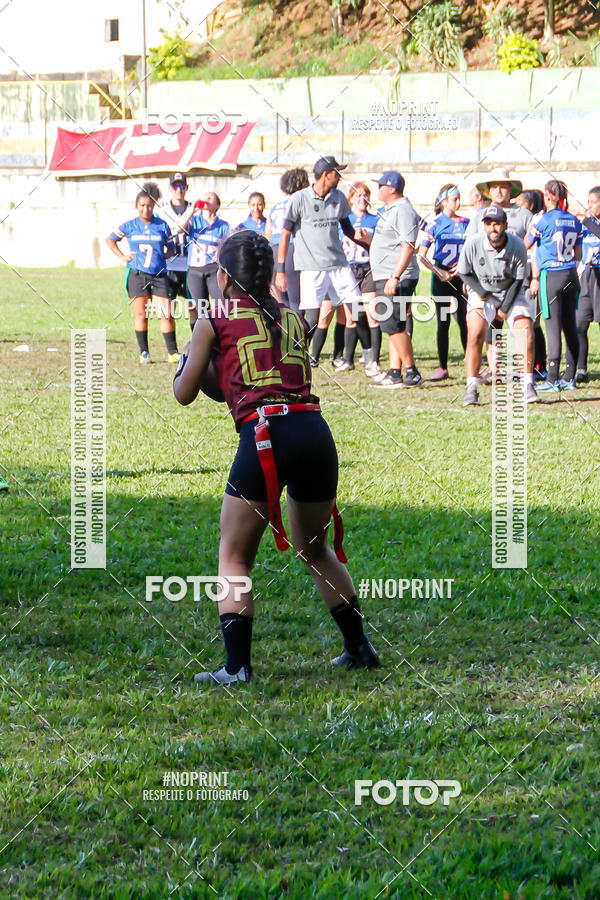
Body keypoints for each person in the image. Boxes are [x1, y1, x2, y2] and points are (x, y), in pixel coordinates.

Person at [173, 230, 380, 684]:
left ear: (223, 276)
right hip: (314, 432)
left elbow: (185, 393)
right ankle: (359, 647)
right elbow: (251, 383)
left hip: (266, 435)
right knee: (316, 549)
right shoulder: (291, 317)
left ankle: (236, 667)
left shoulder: (214, 319)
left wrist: (189, 357)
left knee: (234, 556)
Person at [274, 155, 366, 339]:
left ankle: (369, 354)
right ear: (326, 174)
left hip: (339, 265)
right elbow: (285, 235)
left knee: (358, 311)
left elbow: (348, 230)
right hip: (311, 268)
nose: (339, 177)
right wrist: (280, 270)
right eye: (337, 173)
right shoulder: (299, 199)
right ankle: (297, 350)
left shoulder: (338, 197)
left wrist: (369, 245)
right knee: (312, 319)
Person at [458, 204, 539, 406]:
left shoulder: (517, 245)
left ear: (505, 225)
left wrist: (503, 309)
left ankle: (528, 384)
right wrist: (481, 291)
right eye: (488, 224)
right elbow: (464, 272)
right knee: (475, 333)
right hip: (482, 292)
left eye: (497, 224)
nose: (492, 228)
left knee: (526, 332)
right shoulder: (473, 243)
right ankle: (471, 387)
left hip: (511, 291)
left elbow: (519, 280)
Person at [106, 181, 179, 364]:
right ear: (136, 206)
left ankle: (172, 352)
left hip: (159, 276)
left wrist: (162, 256)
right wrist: (123, 256)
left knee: (166, 314)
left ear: (154, 206)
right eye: (142, 205)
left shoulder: (162, 225)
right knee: (141, 315)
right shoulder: (130, 225)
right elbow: (110, 239)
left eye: (149, 206)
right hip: (137, 275)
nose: (145, 209)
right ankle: (144, 352)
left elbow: (171, 248)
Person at [366, 170, 422, 389]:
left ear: (391, 189)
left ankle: (412, 371)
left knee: (392, 324)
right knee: (393, 325)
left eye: (381, 185)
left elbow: (408, 245)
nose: (378, 189)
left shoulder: (403, 209)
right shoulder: (390, 209)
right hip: (386, 274)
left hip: (395, 276)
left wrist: (395, 276)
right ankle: (394, 372)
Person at [525, 180, 582, 391]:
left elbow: (525, 243)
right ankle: (570, 376)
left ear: (548, 195)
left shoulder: (543, 220)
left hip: (551, 275)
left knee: (552, 326)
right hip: (571, 275)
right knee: (570, 326)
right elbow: (578, 254)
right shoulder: (574, 220)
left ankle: (552, 378)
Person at [418, 184, 469, 380]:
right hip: (442, 276)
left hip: (461, 277)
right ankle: (442, 367)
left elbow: (473, 249)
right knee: (443, 322)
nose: (458, 202)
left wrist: (464, 267)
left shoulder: (466, 223)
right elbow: (421, 255)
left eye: (459, 198)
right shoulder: (435, 224)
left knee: (465, 320)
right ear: (444, 201)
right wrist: (438, 271)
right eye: (454, 199)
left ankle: (470, 362)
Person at [179, 192, 231, 329]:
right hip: (195, 270)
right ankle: (204, 337)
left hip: (213, 270)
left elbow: (229, 247)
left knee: (220, 306)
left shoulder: (223, 226)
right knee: (202, 310)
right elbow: (178, 228)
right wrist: (191, 209)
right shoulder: (194, 220)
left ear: (217, 205)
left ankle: (222, 335)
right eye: (204, 197)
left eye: (210, 197)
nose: (206, 200)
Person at [265, 167, 309, 312]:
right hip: (290, 250)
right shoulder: (301, 204)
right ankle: (297, 327)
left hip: (273, 251)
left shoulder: (275, 207)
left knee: (282, 303)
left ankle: (284, 327)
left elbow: (268, 234)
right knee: (297, 302)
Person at [574, 186, 600, 382]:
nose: (589, 206)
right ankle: (580, 368)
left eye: (593, 202)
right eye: (588, 202)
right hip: (586, 275)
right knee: (580, 324)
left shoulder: (589, 224)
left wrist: (588, 223)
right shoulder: (585, 225)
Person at [163, 173, 193, 332]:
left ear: (187, 188)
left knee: (195, 308)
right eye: (175, 186)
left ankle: (198, 342)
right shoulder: (162, 211)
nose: (179, 190)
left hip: (190, 266)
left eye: (182, 186)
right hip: (170, 266)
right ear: (170, 188)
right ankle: (172, 346)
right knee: (168, 311)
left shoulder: (195, 209)